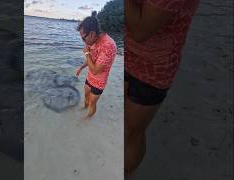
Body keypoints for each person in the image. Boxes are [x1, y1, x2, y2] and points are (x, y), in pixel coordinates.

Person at [124, 0, 200, 177]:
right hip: (127, 55)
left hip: (152, 68)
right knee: (122, 125)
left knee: (132, 132)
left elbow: (140, 31)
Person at [76, 11, 117, 119]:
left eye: (83, 38)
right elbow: (92, 59)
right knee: (86, 97)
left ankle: (88, 118)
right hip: (90, 77)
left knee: (92, 103)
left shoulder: (108, 46)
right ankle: (84, 108)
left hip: (99, 82)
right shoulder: (92, 41)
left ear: (92, 34)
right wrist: (81, 67)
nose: (83, 41)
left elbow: (95, 70)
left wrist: (86, 53)